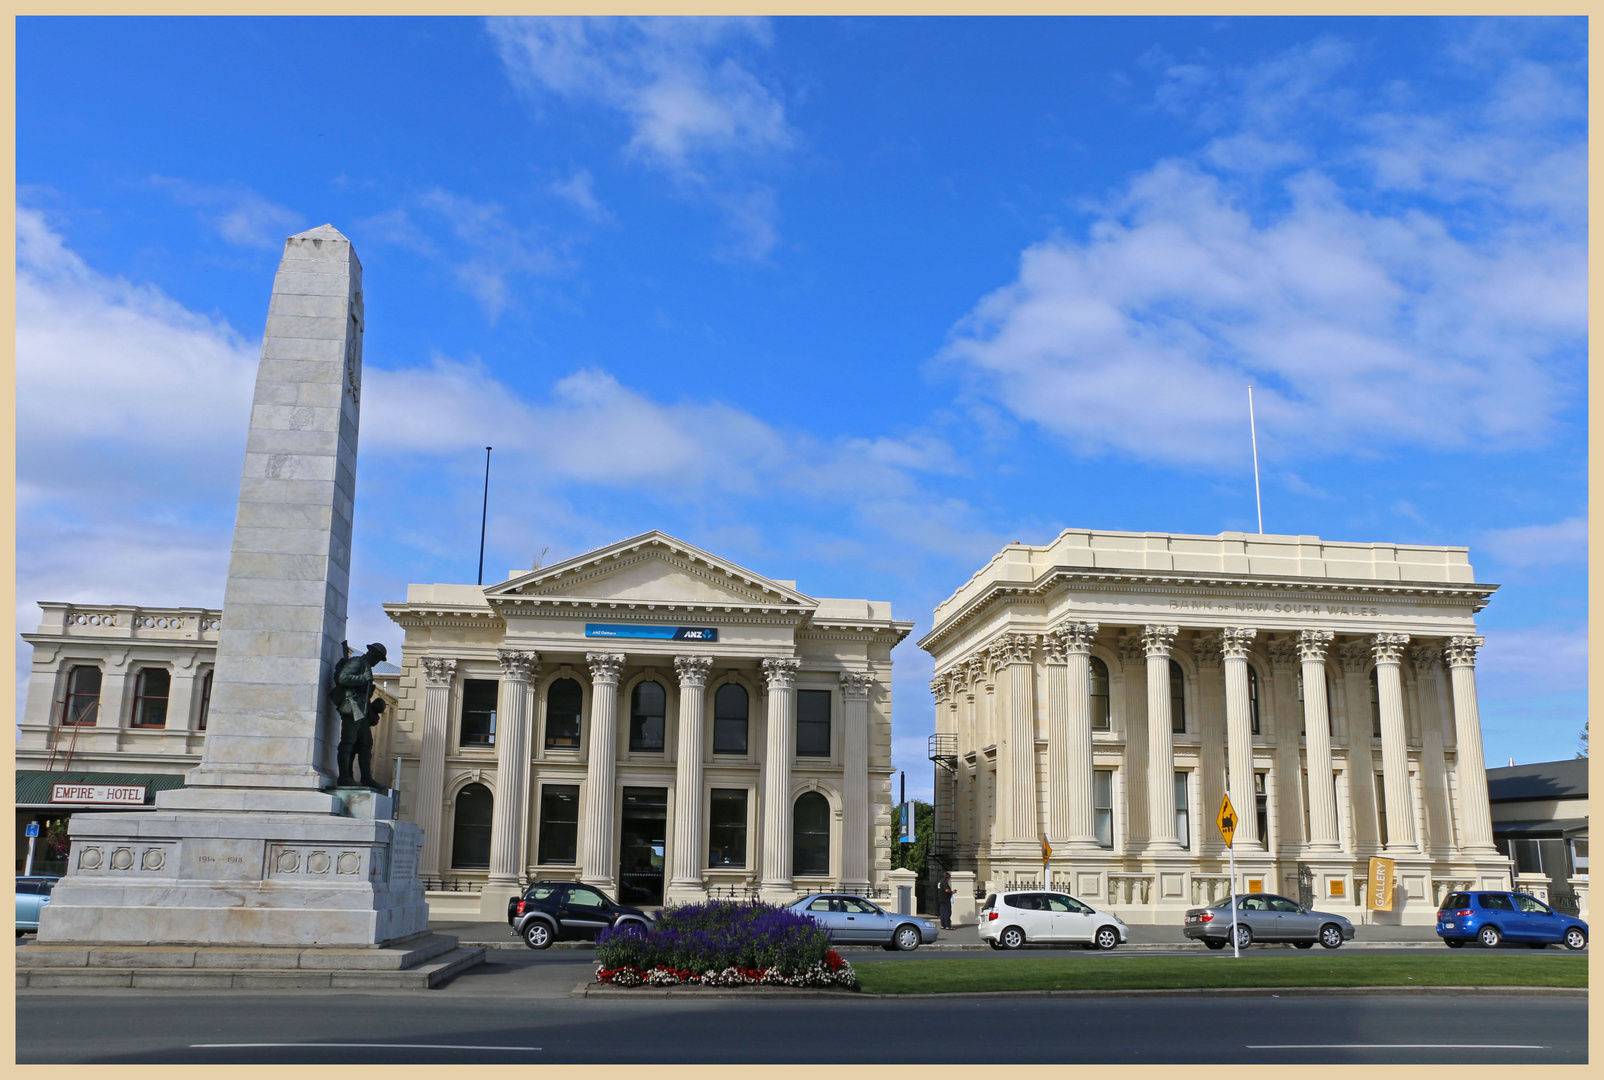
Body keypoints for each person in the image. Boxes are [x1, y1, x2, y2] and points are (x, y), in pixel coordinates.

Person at [331, 641, 388, 790]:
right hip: (351, 708)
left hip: (361, 711)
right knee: (348, 741)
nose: (377, 662)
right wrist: (363, 678)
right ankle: (345, 777)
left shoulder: (366, 667)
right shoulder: (358, 662)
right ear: (373, 655)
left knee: (365, 743)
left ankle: (366, 778)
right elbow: (343, 678)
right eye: (377, 658)